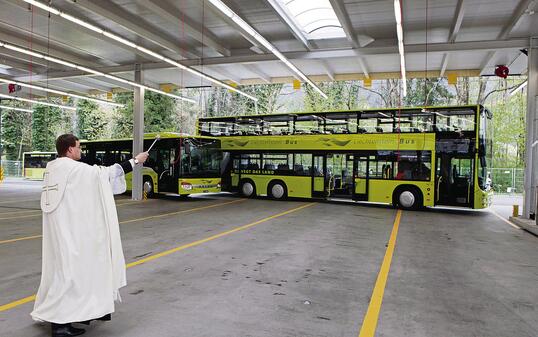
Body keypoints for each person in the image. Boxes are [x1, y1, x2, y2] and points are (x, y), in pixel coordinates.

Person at [31, 134, 149, 337]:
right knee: (71, 275)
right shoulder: (74, 169)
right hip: (72, 234)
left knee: (65, 273)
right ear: (69, 149)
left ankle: (72, 316)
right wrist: (136, 160)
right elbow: (107, 174)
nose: (81, 151)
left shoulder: (52, 168)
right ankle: (60, 326)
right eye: (78, 147)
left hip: (61, 232)